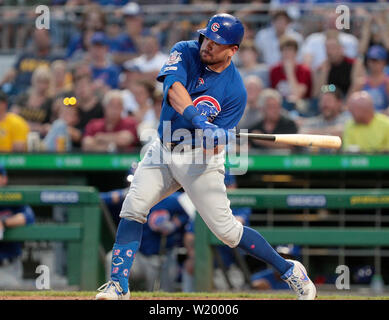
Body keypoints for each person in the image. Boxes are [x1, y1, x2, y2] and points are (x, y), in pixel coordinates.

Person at [95, 13, 316, 300]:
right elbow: (173, 90)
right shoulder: (185, 50)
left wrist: (217, 138)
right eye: (207, 38)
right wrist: (199, 120)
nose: (208, 45)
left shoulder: (235, 90)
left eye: (217, 43)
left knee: (227, 232)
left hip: (199, 159)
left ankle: (290, 271)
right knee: (133, 207)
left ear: (232, 50)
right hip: (163, 148)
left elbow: (215, 146)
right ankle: (118, 286)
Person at [100, 164, 194, 292]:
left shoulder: (170, 198)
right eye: (133, 181)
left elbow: (192, 211)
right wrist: (121, 194)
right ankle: (115, 290)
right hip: (137, 256)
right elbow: (97, 199)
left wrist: (174, 224)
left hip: (162, 257)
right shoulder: (128, 198)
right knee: (111, 257)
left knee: (162, 294)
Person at [181, 173, 252, 292]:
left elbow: (237, 222)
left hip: (233, 261)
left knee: (235, 288)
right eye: (223, 186)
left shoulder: (241, 201)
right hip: (209, 261)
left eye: (229, 185)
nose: (227, 189)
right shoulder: (206, 203)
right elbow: (189, 236)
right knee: (190, 265)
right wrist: (193, 253)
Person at [0, 166, 35, 289]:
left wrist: (5, 223)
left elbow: (29, 217)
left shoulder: (14, 197)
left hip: (9, 265)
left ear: (4, 179)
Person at [313, 32, 364, 98]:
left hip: (349, 98)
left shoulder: (354, 64)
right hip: (331, 99)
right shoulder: (323, 67)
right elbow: (319, 92)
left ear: (341, 49)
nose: (329, 52)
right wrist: (324, 72)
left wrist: (345, 104)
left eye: (333, 48)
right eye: (327, 49)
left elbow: (357, 85)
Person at [270, 35, 312, 113]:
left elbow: (298, 95)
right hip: (281, 106)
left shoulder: (304, 70)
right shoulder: (274, 70)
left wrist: (290, 72)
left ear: (296, 53)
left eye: (290, 50)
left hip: (300, 107)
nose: (287, 53)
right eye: (284, 50)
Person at [10, 65, 53, 137]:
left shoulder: (50, 101)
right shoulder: (23, 97)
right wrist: (33, 126)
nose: (42, 85)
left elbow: (50, 125)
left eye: (45, 82)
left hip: (40, 136)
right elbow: (12, 116)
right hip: (21, 133)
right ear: (33, 81)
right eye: (39, 81)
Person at [352, 45, 389, 114]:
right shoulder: (360, 83)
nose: (372, 64)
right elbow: (350, 104)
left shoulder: (387, 82)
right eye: (370, 60)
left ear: (383, 62)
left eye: (376, 61)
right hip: (363, 118)